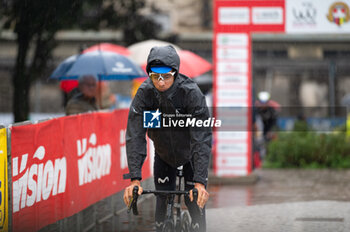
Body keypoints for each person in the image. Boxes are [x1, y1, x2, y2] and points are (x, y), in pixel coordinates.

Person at [123, 45, 211, 232]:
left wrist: (200, 182)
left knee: (194, 200)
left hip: (190, 155)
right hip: (163, 153)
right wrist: (135, 179)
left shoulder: (191, 93)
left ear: (175, 73)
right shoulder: (145, 93)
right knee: (162, 202)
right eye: (156, 76)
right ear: (150, 75)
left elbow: (201, 138)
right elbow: (135, 134)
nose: (161, 82)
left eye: (166, 76)